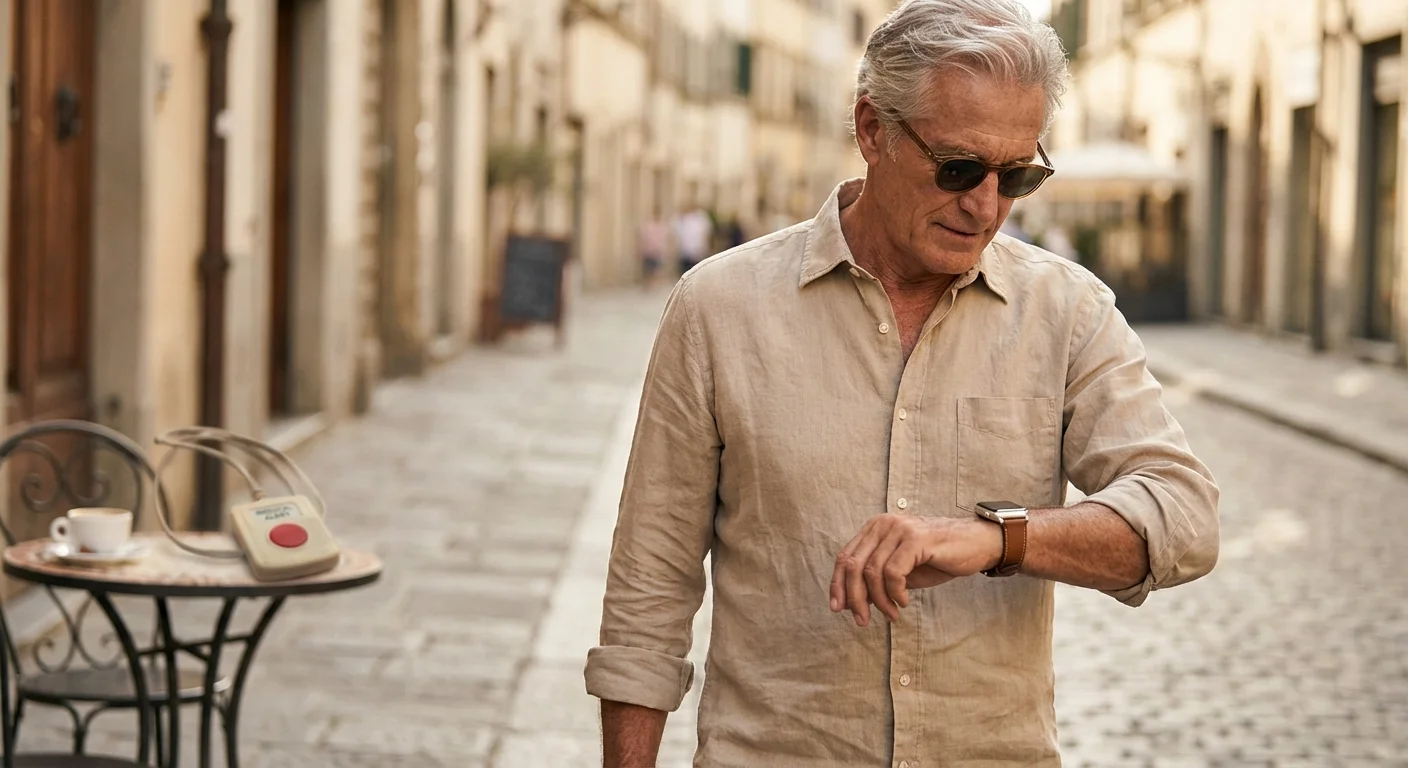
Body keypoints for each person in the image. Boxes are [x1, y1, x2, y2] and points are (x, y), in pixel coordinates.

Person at [584, 1, 1220, 766]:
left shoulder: (1068, 311)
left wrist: (994, 538)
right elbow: (647, 594)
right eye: (957, 169)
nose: (986, 206)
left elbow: (1183, 518)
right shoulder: (718, 308)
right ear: (872, 130)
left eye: (1017, 175)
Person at [637, 210, 669, 289]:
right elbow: (644, 238)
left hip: (657, 250)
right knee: (648, 268)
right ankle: (648, 283)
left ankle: (652, 283)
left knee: (655, 268)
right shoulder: (648, 226)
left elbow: (664, 238)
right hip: (648, 250)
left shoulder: (662, 226)